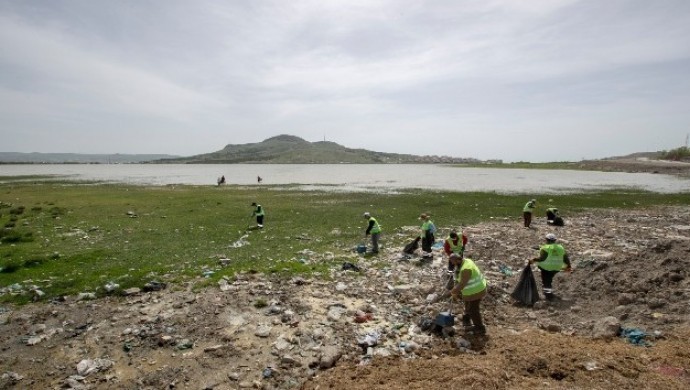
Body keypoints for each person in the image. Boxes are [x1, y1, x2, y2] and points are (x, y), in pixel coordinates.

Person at [449, 254, 487, 335]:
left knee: (473, 309)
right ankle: (467, 320)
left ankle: (480, 328)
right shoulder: (464, 262)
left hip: (477, 290)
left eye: (454, 262)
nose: (453, 264)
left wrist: (454, 291)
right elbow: (458, 278)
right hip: (470, 291)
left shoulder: (466, 268)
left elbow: (462, 283)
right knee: (467, 305)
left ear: (458, 260)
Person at [530, 233, 572, 301]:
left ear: (547, 240)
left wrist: (533, 260)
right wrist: (569, 266)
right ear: (555, 240)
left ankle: (548, 295)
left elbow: (542, 258)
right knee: (549, 280)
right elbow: (566, 258)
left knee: (546, 281)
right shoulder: (560, 248)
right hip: (556, 268)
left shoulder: (545, 248)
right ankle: (548, 293)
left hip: (546, 268)